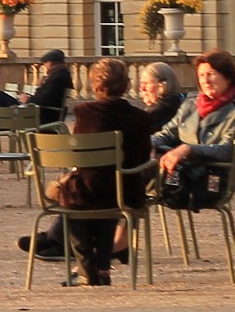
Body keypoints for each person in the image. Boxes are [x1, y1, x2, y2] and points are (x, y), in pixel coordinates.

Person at [22, 57, 156, 286]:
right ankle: (102, 269)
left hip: (89, 190)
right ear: (126, 84)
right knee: (106, 200)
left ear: (95, 84)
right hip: (126, 191)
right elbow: (143, 158)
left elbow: (80, 155)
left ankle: (87, 269)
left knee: (78, 200)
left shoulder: (84, 112)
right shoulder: (141, 117)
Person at [153, 49, 235, 211]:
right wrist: (148, 144)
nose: (205, 80)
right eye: (201, 75)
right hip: (179, 175)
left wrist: (188, 149)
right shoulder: (192, 102)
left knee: (136, 189)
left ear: (227, 76)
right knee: (138, 164)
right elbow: (167, 134)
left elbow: (228, 150)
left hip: (212, 183)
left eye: (211, 74)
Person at [139, 61, 183, 128]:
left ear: (162, 85)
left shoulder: (157, 114)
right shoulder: (180, 103)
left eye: (147, 83)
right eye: (142, 83)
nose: (142, 88)